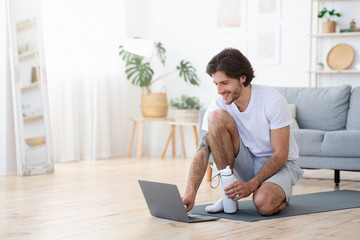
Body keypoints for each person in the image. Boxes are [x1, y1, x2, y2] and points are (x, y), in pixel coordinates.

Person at [182, 48, 303, 216]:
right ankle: (228, 195)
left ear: (242, 78)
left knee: (265, 204)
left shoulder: (272, 100)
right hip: (246, 160)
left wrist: (253, 185)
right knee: (216, 118)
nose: (219, 90)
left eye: (224, 83)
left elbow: (281, 154)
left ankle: (278, 194)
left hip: (278, 164)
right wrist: (190, 194)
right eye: (216, 84)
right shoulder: (218, 104)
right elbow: (202, 153)